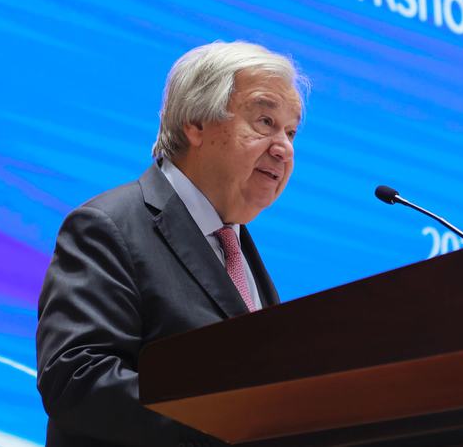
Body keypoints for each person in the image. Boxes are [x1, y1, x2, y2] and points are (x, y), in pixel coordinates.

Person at [36, 41, 305, 446]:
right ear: (195, 123)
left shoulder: (238, 247)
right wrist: (232, 426)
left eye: (290, 131)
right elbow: (77, 379)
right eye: (265, 121)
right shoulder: (108, 226)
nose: (283, 147)